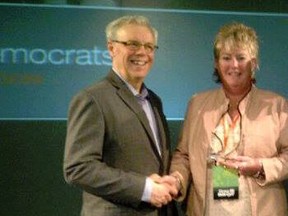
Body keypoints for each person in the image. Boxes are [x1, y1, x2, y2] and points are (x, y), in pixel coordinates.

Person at [168, 22, 288, 215]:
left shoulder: (277, 106)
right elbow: (184, 155)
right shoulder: (197, 104)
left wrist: (260, 166)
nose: (234, 65)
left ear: (254, 63)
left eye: (241, 57)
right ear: (217, 63)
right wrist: (177, 179)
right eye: (226, 58)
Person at [63, 15, 179, 216]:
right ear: (111, 48)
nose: (142, 52)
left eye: (149, 46)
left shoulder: (154, 100)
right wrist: (144, 189)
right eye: (132, 44)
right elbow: (79, 168)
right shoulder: (92, 99)